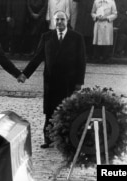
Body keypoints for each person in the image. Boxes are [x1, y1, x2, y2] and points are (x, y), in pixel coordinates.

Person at [17, 10, 86, 149]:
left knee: (68, 111)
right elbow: (37, 57)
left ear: (67, 21)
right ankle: (48, 139)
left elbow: (81, 61)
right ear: (54, 21)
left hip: (69, 82)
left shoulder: (76, 37)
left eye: (62, 19)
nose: (59, 22)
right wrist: (25, 74)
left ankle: (67, 140)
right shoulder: (47, 37)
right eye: (57, 20)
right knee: (49, 111)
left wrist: (79, 82)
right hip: (51, 81)